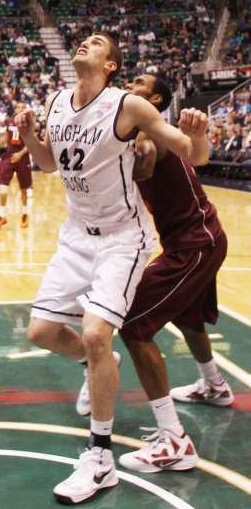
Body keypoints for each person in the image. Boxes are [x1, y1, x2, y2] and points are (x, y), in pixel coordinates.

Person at [16, 33, 210, 505]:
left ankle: (99, 458)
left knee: (98, 333)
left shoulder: (129, 108)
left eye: (97, 42)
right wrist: (27, 138)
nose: (85, 43)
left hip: (123, 239)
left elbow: (195, 154)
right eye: (83, 40)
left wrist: (198, 130)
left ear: (111, 65)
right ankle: (95, 365)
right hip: (76, 236)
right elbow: (46, 165)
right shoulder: (57, 100)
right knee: (40, 332)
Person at [104, 73, 231, 474]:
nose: (130, 85)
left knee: (134, 324)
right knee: (188, 316)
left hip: (195, 243)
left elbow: (144, 169)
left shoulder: (147, 135)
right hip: (196, 239)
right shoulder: (151, 132)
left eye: (139, 82)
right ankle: (214, 385)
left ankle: (174, 442)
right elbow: (193, 155)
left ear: (155, 98)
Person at [0, 102, 33, 230]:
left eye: (23, 107)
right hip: (9, 155)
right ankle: (2, 216)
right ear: (15, 110)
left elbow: (31, 143)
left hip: (22, 157)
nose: (20, 109)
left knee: (24, 189)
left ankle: (25, 214)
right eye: (18, 107)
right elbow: (6, 137)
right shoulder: (9, 121)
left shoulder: (28, 124)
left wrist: (20, 155)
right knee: (3, 187)